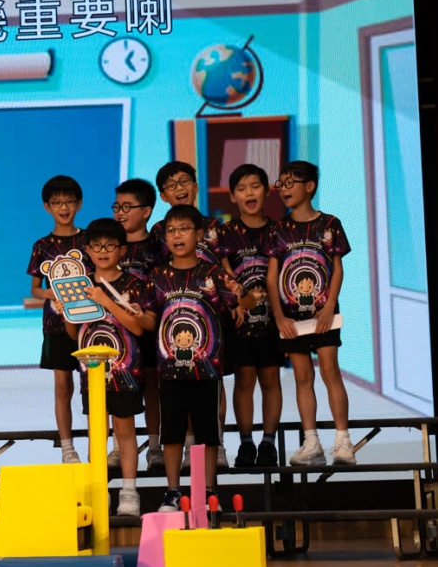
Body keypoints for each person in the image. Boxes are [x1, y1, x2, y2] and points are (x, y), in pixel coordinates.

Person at [137, 207, 256, 512]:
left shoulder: (213, 273)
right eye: (171, 230)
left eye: (184, 229)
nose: (177, 235)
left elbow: (247, 303)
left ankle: (209, 491)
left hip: (207, 371)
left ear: (199, 235)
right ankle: (173, 492)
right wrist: (137, 315)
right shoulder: (158, 276)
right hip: (169, 371)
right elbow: (150, 321)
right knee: (172, 434)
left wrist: (241, 292)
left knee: (207, 433)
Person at [265, 161, 354, 465]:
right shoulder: (278, 229)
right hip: (292, 318)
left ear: (310, 186)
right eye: (281, 183)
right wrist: (280, 317)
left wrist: (329, 307)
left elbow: (337, 268)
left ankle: (343, 442)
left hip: (324, 314)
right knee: (303, 376)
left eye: (291, 182)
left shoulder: (330, 224)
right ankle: (311, 442)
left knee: (330, 370)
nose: (284, 189)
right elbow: (272, 277)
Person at [61, 220, 148, 516]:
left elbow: (137, 327)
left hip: (125, 371)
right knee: (97, 433)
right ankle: (99, 492)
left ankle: (129, 491)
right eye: (96, 246)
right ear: (87, 250)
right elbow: (73, 333)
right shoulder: (80, 284)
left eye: (110, 245)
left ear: (122, 250)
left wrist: (105, 301)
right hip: (92, 373)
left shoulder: (133, 284)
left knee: (124, 430)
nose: (103, 251)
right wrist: (66, 314)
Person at [150, 161, 232, 469]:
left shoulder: (214, 227)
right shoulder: (158, 232)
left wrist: (236, 299)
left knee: (213, 382)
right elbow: (159, 272)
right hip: (174, 319)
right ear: (163, 196)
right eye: (171, 185)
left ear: (196, 187)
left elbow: (225, 266)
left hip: (211, 316)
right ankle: (187, 446)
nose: (179, 188)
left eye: (184, 181)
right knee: (179, 386)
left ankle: (216, 443)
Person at [220, 164, 283, 468]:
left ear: (267, 191)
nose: (249, 193)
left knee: (270, 379)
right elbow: (223, 272)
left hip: (273, 321)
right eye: (242, 188)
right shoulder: (226, 232)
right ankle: (246, 444)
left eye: (255, 186)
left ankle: (268, 443)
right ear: (233, 196)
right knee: (244, 380)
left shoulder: (278, 230)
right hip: (241, 323)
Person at [27, 175, 88, 464]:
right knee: (63, 387)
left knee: (95, 387)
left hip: (90, 325)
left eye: (69, 202)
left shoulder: (89, 240)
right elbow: (35, 290)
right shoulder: (42, 246)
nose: (64, 208)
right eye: (57, 203)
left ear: (79, 204)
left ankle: (101, 447)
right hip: (56, 326)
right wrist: (52, 293)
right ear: (47, 207)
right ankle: (67, 448)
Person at [112, 178, 164, 471]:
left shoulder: (158, 248)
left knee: (152, 388)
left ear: (146, 211)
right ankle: (117, 447)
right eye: (117, 207)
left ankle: (154, 447)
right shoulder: (110, 245)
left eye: (127, 207)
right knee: (117, 388)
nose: (120, 213)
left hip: (150, 328)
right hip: (117, 333)